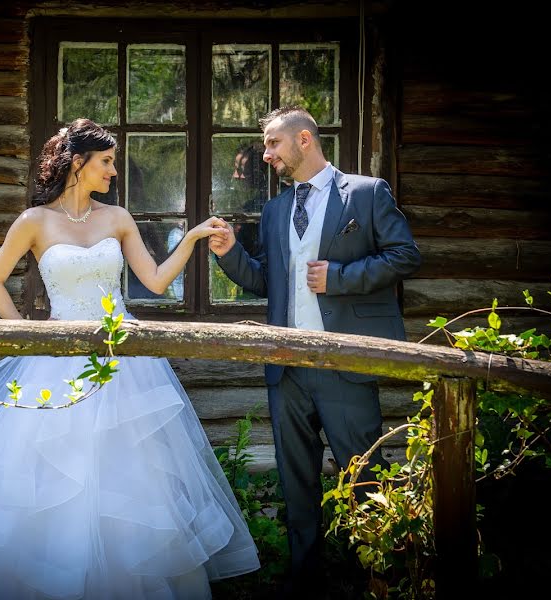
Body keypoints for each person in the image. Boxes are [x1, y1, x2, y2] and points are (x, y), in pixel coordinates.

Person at [0, 118, 261, 599]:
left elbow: (154, 281)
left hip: (122, 363)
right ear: (78, 163)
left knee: (131, 480)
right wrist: (26, 338)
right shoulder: (34, 222)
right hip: (56, 358)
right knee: (47, 479)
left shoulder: (118, 219)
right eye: (107, 162)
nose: (113, 172)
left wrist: (193, 238)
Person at [209, 106, 421, 599]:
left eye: (273, 144)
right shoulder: (276, 209)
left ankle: (375, 578)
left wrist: (341, 278)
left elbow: (405, 255)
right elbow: (267, 280)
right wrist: (229, 254)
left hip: (344, 360)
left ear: (304, 140)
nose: (266, 155)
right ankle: (306, 583)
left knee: (363, 475)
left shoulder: (366, 193)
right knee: (296, 484)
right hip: (287, 369)